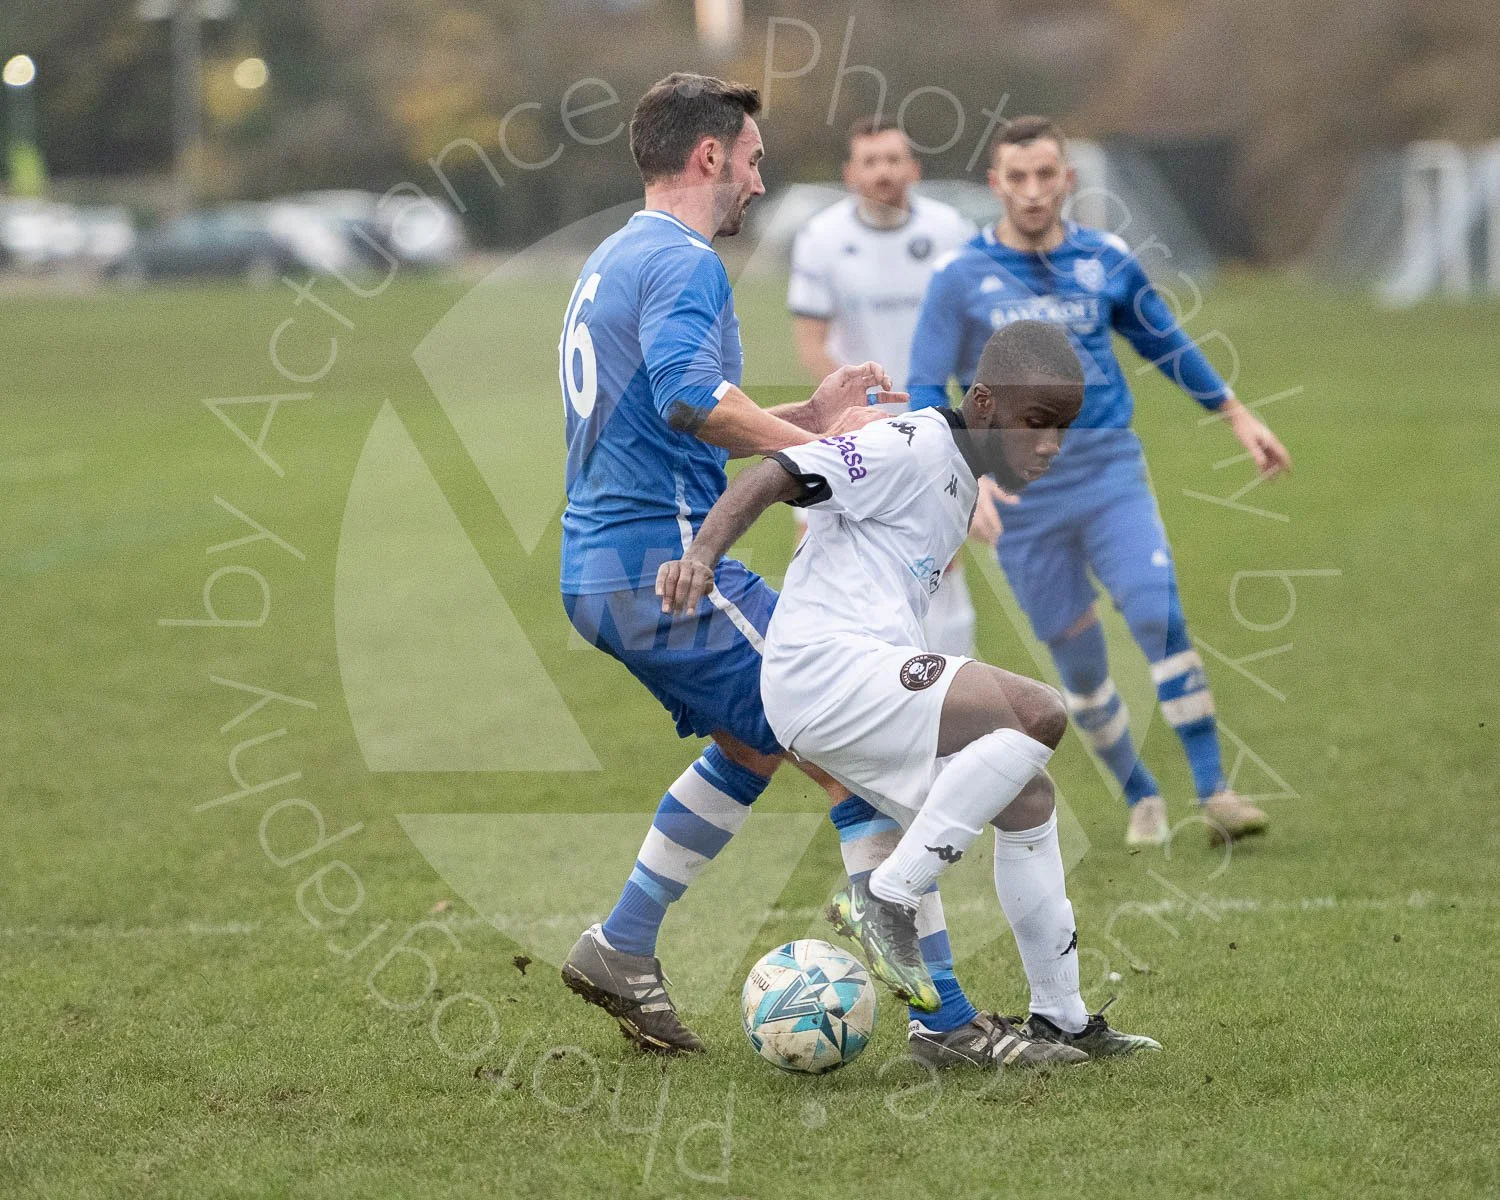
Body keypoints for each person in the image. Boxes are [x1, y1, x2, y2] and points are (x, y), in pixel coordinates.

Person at [557, 73, 1022, 1068]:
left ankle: (622, 944)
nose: (762, 185)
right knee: (853, 742)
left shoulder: (616, 256)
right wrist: (825, 454)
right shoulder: (684, 262)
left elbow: (668, 415)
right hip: (672, 565)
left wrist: (809, 421)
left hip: (603, 565)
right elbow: (691, 401)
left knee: (757, 741)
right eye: (757, 161)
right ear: (711, 155)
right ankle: (944, 1023)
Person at [657, 320, 1159, 1059]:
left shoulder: (959, 473)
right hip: (825, 669)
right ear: (983, 403)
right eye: (1036, 423)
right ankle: (888, 896)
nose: (1049, 445)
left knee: (1028, 799)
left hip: (850, 680)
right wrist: (701, 554)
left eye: (1063, 429)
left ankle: (1061, 1016)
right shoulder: (915, 444)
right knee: (1038, 713)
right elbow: (776, 472)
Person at [907, 116, 1292, 847]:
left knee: (1157, 616)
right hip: (1019, 496)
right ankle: (1140, 793)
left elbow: (1167, 344)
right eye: (1015, 178)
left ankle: (1215, 790)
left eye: (1044, 175)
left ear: (1067, 180)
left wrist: (1237, 416)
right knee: (1079, 668)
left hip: (1108, 471)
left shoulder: (1106, 259)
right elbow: (926, 383)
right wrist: (970, 475)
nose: (1031, 191)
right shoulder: (958, 278)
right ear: (995, 186)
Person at [786, 115, 988, 658]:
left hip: (932, 421)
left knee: (941, 557)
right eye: (871, 161)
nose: (883, 172)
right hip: (850, 425)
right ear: (851, 172)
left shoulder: (950, 231)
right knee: (817, 547)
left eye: (893, 159)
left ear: (914, 169)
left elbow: (976, 336)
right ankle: (828, 682)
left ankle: (949, 693)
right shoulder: (822, 238)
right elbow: (811, 339)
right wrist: (861, 404)